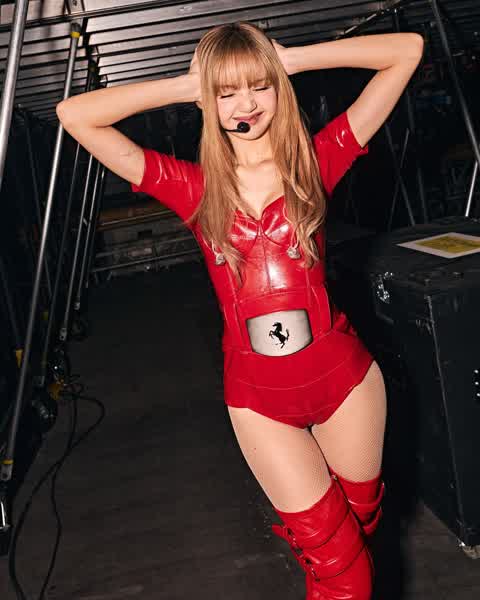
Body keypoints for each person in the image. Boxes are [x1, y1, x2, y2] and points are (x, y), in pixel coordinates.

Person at [57, 22, 424, 600]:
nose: (245, 104)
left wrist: (290, 60)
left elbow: (407, 51)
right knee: (343, 574)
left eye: (258, 86)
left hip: (346, 383)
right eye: (227, 92)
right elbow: (75, 115)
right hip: (261, 402)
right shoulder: (192, 187)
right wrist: (189, 86)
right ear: (208, 100)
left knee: (356, 544)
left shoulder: (317, 161)